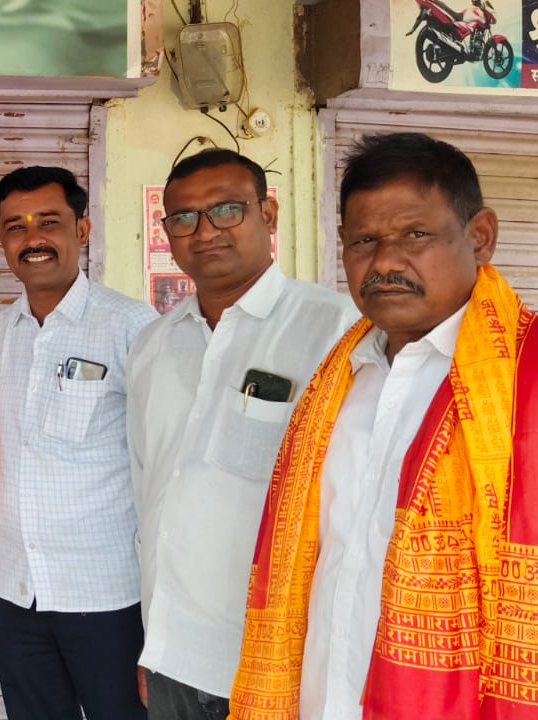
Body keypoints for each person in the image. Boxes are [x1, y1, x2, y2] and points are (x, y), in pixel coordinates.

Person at [231, 132, 538, 719]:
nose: (386, 261)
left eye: (415, 234)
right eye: (364, 240)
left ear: (480, 236)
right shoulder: (337, 384)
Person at [126, 150, 357, 720]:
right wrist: (153, 642)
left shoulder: (337, 329)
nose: (205, 231)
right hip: (173, 656)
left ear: (267, 214)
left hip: (280, 659)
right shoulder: (153, 343)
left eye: (227, 210)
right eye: (183, 218)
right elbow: (147, 494)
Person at [0, 166, 158, 720]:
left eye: (49, 222)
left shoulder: (131, 326)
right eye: (15, 226)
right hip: (17, 592)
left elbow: (160, 463)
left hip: (106, 596)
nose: (32, 238)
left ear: (82, 229)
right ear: (2, 240)